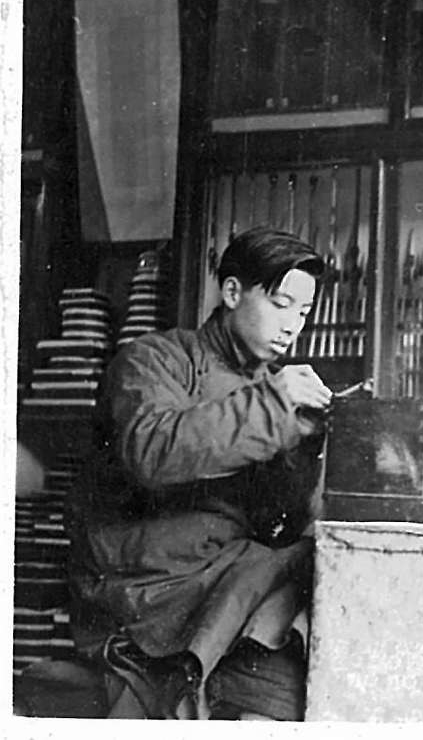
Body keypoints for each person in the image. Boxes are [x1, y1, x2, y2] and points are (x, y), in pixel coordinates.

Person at [65, 227, 333, 719]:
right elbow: (152, 452)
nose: (292, 325)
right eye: (280, 303)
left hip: (224, 573)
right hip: (147, 579)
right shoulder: (154, 360)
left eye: (303, 312)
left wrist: (308, 446)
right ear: (232, 292)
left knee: (324, 569)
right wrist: (273, 407)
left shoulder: (273, 391)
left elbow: (283, 522)